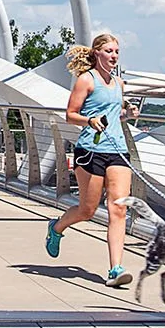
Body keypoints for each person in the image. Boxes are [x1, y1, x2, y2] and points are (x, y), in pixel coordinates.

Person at [43, 33, 137, 286]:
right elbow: (70, 115)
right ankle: (57, 227)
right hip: (90, 150)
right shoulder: (87, 80)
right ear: (97, 53)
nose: (114, 56)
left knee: (118, 208)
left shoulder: (119, 83)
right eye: (109, 51)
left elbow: (113, 116)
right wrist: (89, 121)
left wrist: (127, 113)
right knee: (88, 210)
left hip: (117, 150)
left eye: (117, 51)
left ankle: (115, 268)